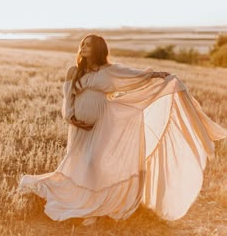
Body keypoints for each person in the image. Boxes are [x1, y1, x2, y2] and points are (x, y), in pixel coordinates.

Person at [19, 34, 227, 226]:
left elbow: (136, 76)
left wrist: (158, 75)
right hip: (79, 127)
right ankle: (81, 201)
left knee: (95, 163)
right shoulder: (74, 71)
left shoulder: (110, 71)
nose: (83, 47)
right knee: (78, 162)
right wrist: (71, 118)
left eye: (88, 44)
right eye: (82, 44)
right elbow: (68, 98)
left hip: (104, 122)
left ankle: (95, 208)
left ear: (99, 49)